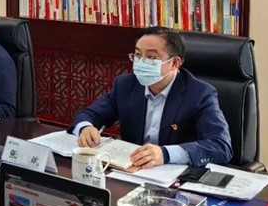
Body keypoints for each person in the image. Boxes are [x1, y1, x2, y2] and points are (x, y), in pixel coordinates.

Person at [70, 26, 232, 168]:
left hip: (174, 176)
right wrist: (85, 128)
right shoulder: (126, 85)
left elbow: (221, 146)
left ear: (174, 63)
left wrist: (166, 154)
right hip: (131, 169)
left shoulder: (200, 94)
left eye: (152, 57)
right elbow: (89, 114)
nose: (141, 62)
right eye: (137, 55)